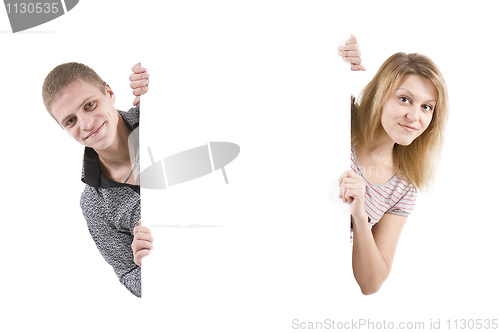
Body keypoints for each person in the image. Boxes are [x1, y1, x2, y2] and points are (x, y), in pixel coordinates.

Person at [339, 52, 448, 295]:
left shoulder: (403, 188)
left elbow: (371, 283)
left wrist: (360, 217)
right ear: (381, 93)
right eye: (404, 99)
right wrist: (339, 59)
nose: (414, 117)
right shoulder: (342, 114)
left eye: (426, 107)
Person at [42, 62, 153, 297]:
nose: (86, 124)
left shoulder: (158, 116)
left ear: (109, 93)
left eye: (89, 105)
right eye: (70, 121)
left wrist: (163, 80)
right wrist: (149, 265)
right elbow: (129, 275)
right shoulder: (94, 205)